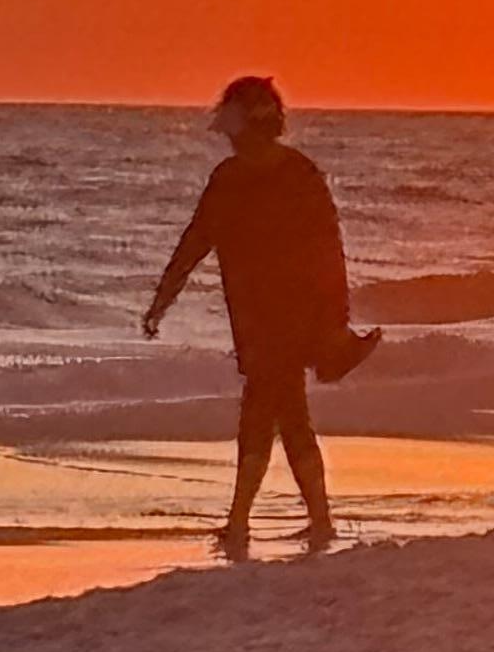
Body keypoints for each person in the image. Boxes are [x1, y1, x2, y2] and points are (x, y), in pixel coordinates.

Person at [142, 77, 379, 558]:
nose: (226, 132)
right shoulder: (264, 176)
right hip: (266, 319)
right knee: (289, 414)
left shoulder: (260, 178)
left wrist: (334, 320)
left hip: (278, 319)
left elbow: (324, 252)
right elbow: (196, 243)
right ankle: (315, 519)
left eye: (230, 120)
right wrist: (162, 299)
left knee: (264, 411)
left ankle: (243, 523)